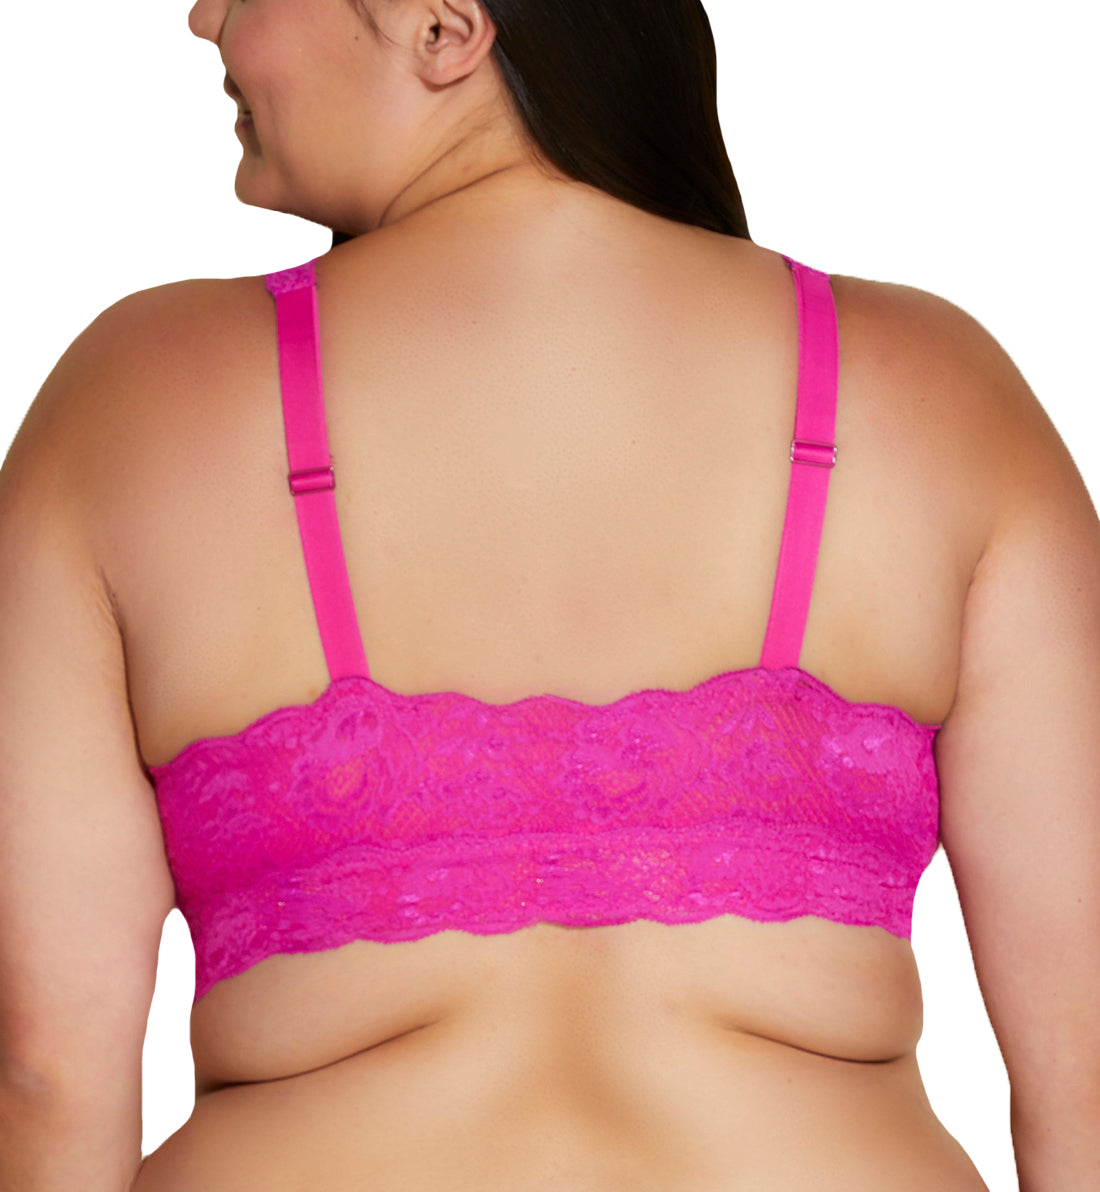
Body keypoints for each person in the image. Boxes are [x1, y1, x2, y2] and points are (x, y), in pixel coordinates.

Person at [1, 0, 1097, 1189]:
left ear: (444, 27)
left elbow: (43, 1077)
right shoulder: (932, 388)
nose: (206, 16)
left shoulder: (135, 399)